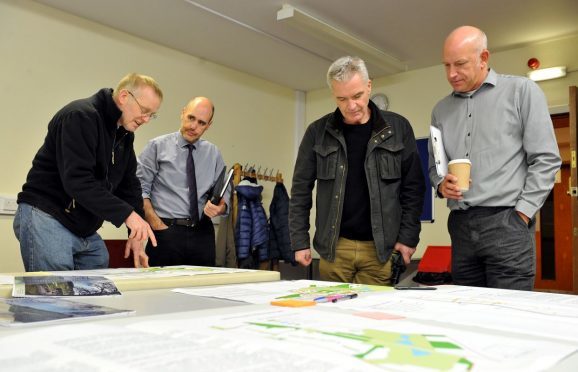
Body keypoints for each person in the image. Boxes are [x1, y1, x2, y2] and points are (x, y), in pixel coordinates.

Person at [428, 26, 561, 291]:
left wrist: (522, 213)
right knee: (468, 314)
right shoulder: (440, 110)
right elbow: (435, 166)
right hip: (461, 226)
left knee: (508, 317)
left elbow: (546, 159)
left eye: (460, 64)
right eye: (446, 65)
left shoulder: (522, 91)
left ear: (484, 58)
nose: (451, 74)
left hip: (507, 222)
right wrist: (441, 185)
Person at [289, 56, 425, 285]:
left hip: (381, 249)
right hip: (334, 248)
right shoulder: (317, 132)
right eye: (341, 99)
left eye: (357, 96)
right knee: (334, 317)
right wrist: (299, 241)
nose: (351, 106)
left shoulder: (398, 128)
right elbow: (300, 190)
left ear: (369, 86)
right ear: (333, 94)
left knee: (373, 317)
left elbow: (414, 188)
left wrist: (408, 238)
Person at [14, 73, 163, 271]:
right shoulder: (80, 116)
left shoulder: (124, 135)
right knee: (54, 295)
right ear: (124, 96)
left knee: (97, 277)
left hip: (82, 225)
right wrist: (128, 215)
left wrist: (135, 235)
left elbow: (130, 187)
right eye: (144, 111)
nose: (145, 119)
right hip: (47, 214)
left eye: (151, 115)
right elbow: (78, 181)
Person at [137, 97, 229, 267]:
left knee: (202, 290)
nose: (194, 126)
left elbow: (224, 191)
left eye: (201, 123)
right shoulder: (156, 147)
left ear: (208, 125)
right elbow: (140, 189)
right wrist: (157, 225)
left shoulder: (213, 153)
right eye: (191, 118)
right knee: (162, 290)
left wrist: (220, 207)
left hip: (203, 233)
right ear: (183, 113)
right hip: (166, 231)